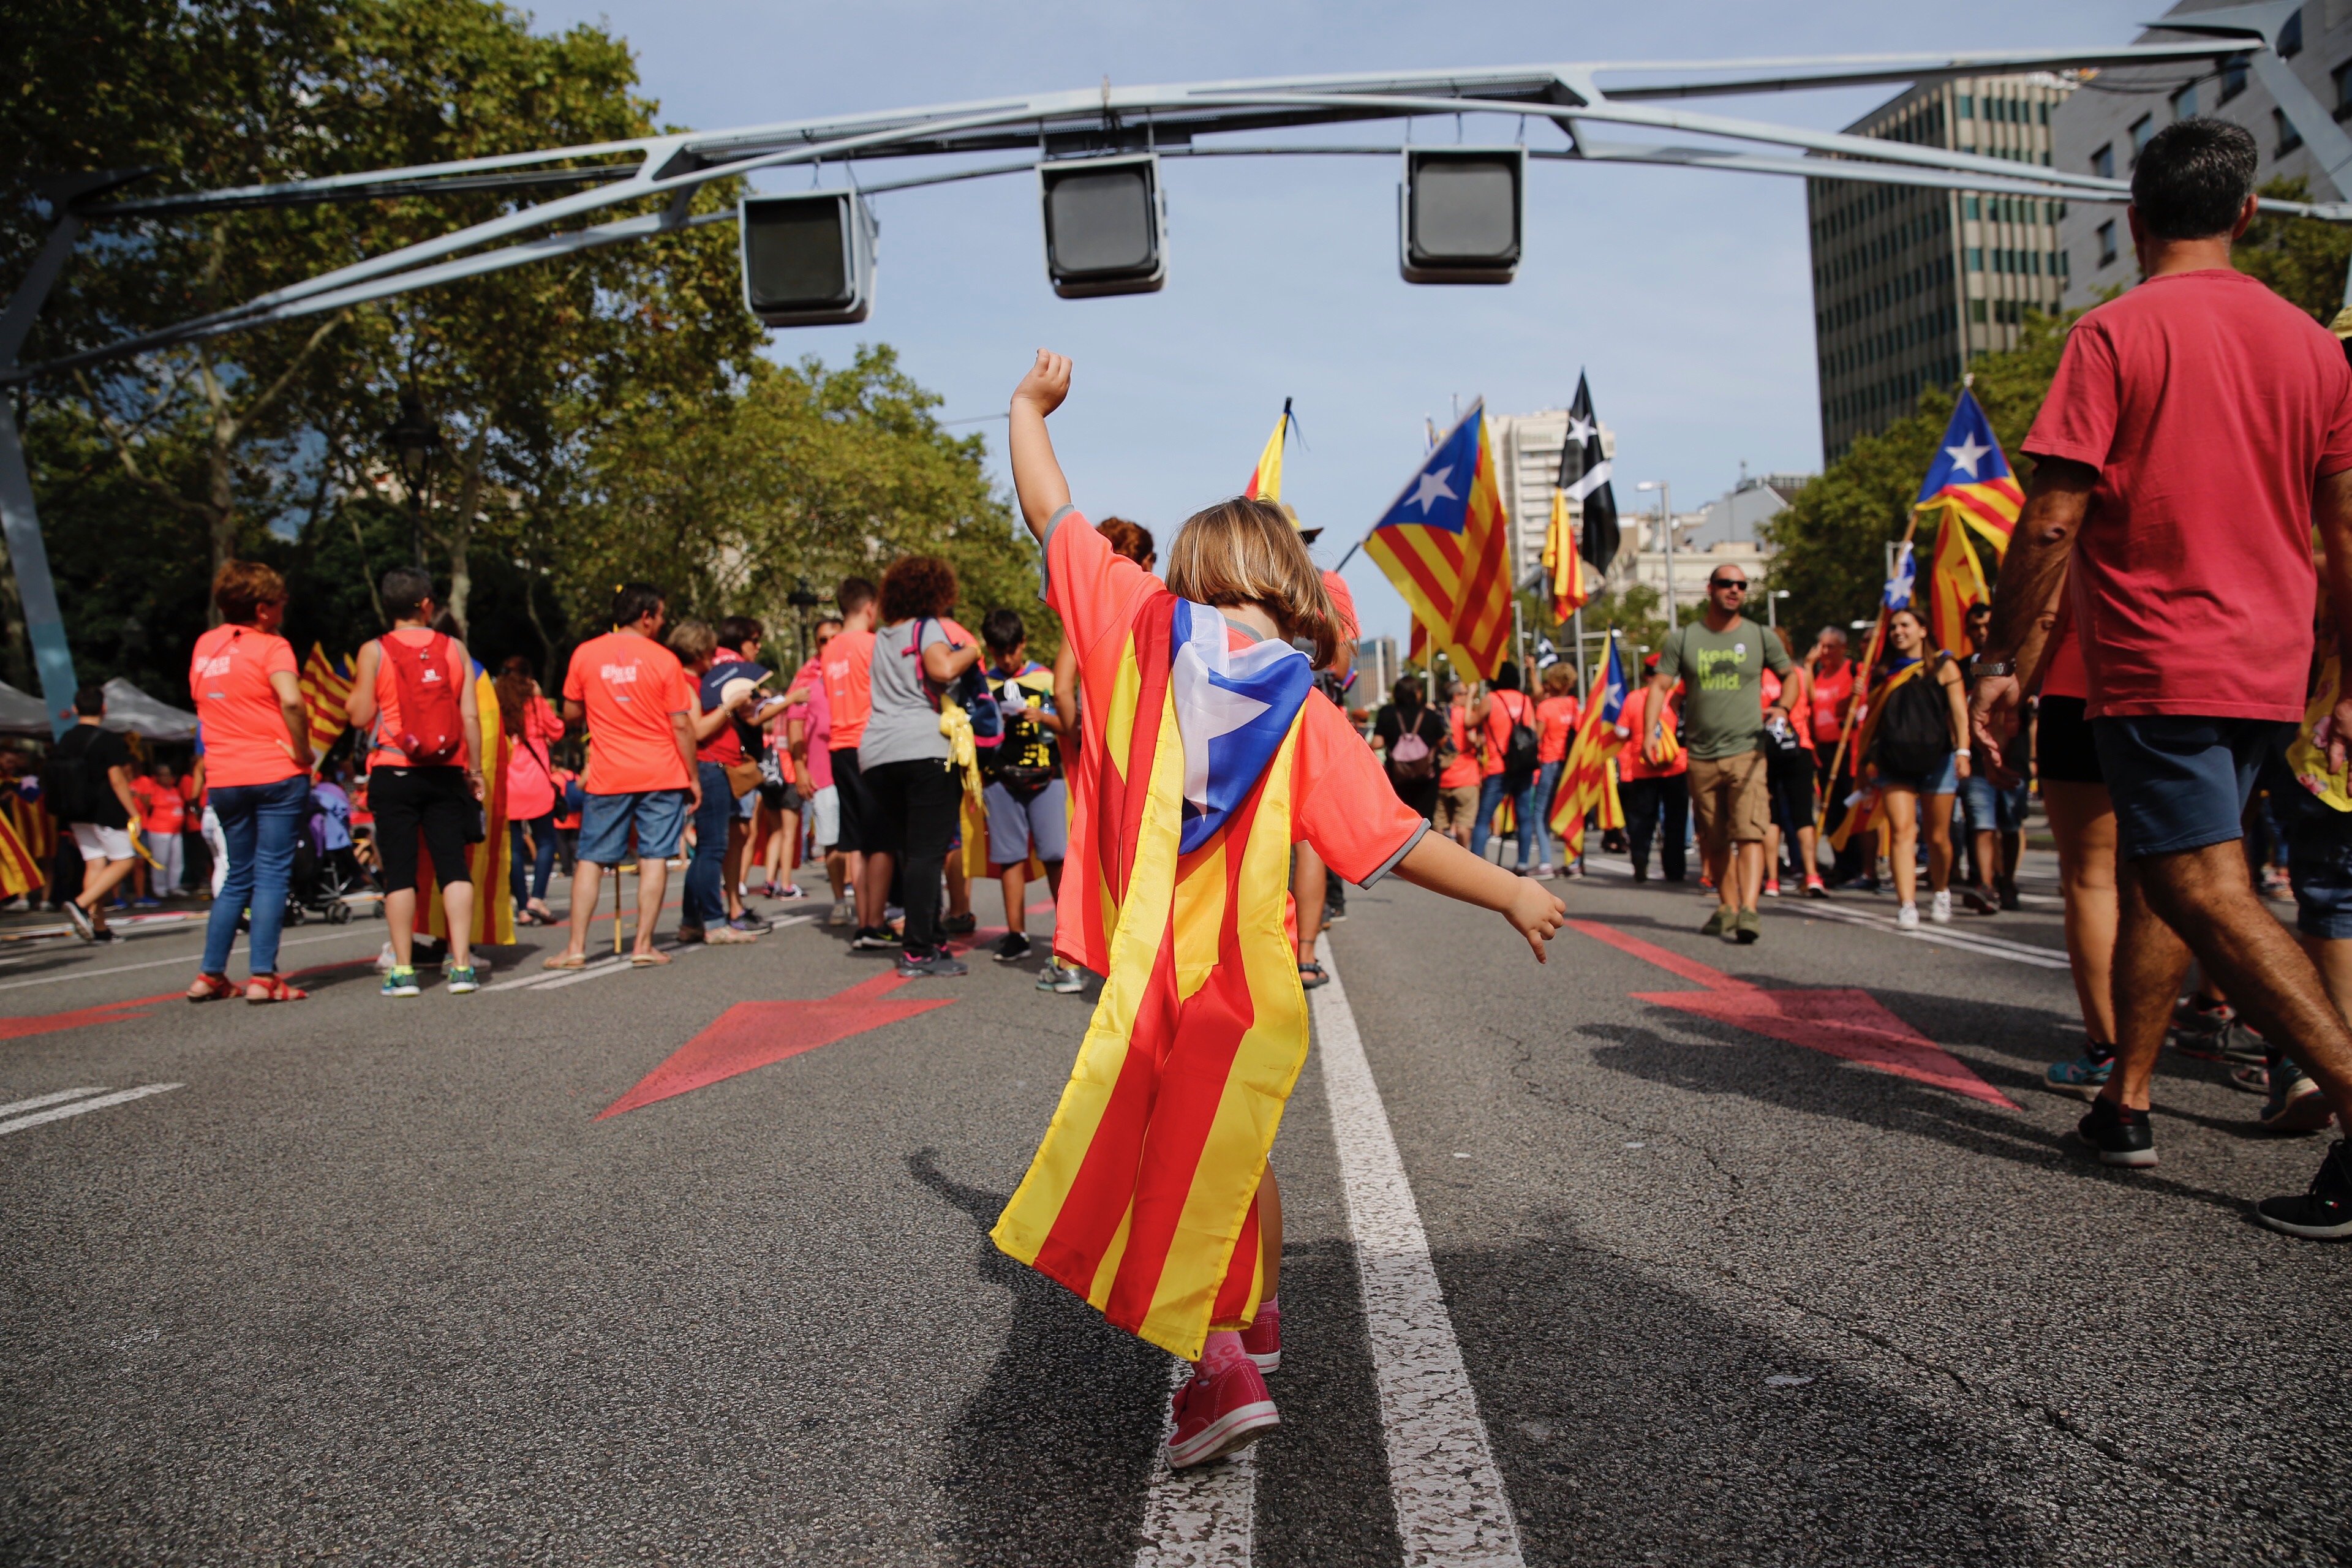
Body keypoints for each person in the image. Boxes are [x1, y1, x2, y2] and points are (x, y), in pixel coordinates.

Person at [1002, 347, 1564, 1471]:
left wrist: (1027, 407)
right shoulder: (1308, 713)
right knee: (1231, 1145)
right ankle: (1253, 1311)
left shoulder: (1130, 628)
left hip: (1161, 979)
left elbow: (1051, 510)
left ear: (1189, 574)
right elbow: (1393, 841)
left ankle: (1216, 1368)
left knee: (1167, 1164)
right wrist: (1510, 888)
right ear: (1297, 599)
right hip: (1253, 987)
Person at [1970, 117, 2352, 1236]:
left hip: (2161, 660)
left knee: (2198, 886)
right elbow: (2346, 527)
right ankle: (2125, 1101)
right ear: (2247, 215)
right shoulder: (2314, 348)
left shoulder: (2114, 334)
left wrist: (2004, 662)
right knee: (2172, 877)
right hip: (2270, 667)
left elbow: (2049, 521)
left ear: (2134, 220)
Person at [345, 566, 486, 997]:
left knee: (402, 872)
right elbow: (469, 716)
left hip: (394, 769)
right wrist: (475, 771)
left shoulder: (374, 651)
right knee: (453, 868)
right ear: (427, 605)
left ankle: (403, 971)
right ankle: (461, 966)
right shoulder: (454, 648)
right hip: (446, 772)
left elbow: (359, 715)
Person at [546, 582, 699, 970]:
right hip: (661, 771)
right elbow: (681, 725)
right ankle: (644, 944)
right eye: (661, 615)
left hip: (609, 771)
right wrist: (692, 776)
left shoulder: (586, 654)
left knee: (591, 858)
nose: (663, 623)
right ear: (646, 616)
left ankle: (576, 947)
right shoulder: (663, 659)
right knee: (654, 857)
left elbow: (569, 713)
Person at [184, 560, 315, 1003]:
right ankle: (263, 976)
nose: (285, 607)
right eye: (280, 601)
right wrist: (303, 750)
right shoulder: (272, 646)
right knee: (273, 872)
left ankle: (210, 974)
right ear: (262, 609)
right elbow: (292, 701)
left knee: (237, 874)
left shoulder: (205, 646)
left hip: (224, 776)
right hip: (275, 770)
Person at [1648, 566, 1794, 941]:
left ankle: (1749, 910)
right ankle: (1727, 906)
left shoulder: (1760, 635)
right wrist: (1651, 731)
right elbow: (1660, 685)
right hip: (1700, 755)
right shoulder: (1685, 638)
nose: (1735, 590)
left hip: (1748, 750)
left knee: (1749, 833)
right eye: (1727, 584)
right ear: (1710, 589)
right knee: (1714, 839)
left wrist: (1783, 708)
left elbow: (1790, 676)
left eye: (1742, 585)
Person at [858, 556, 982, 977]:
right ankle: (917, 949)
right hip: (923, 750)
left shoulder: (883, 636)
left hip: (877, 755)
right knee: (929, 854)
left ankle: (931, 937)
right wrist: (971, 649)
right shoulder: (928, 627)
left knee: (914, 852)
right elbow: (942, 667)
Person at [2032, 595, 2124, 1096]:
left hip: (2084, 687)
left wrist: (2004, 680)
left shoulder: (2083, 518)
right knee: (2203, 875)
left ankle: (2109, 1052)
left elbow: (2044, 617)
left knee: (2092, 877)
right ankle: (2278, 1046)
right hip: (2214, 686)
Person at [1864, 606, 1970, 930]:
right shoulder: (1883, 671)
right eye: (1894, 627)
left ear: (1923, 630)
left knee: (1938, 837)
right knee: (1901, 832)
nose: (1899, 632)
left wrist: (1963, 751)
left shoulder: (1944, 665)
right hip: (1895, 762)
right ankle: (1906, 903)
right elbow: (1872, 723)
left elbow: (1959, 713)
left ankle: (1940, 890)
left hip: (1938, 760)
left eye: (1906, 625)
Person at [979, 609, 1069, 971]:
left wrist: (1042, 717)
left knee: (1054, 854)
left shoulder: (1047, 678)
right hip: (1001, 780)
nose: (1006, 659)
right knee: (1009, 856)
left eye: (1011, 651)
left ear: (1023, 645)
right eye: (998, 653)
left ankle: (1067, 937)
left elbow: (1071, 725)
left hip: (1046, 777)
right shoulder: (984, 685)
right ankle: (1016, 933)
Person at [51, 685, 141, 942]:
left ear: (75, 709)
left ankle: (98, 926)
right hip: (105, 809)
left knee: (95, 863)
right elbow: (117, 780)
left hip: (76, 810)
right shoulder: (109, 740)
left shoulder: (66, 739)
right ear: (104, 708)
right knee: (124, 860)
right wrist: (134, 813)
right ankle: (81, 904)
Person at [1954, 600, 2027, 913]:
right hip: (1978, 762)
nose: (1982, 632)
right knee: (1981, 824)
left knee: (2010, 826)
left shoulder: (2022, 663)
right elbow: (1955, 714)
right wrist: (1962, 751)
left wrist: (2033, 757)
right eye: (1975, 627)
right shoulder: (1961, 669)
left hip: (2014, 759)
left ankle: (2007, 880)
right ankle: (1985, 885)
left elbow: (2031, 715)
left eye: (1988, 626)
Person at [823, 579, 882, 940]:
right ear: (870, 607)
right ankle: (875, 921)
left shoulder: (829, 650)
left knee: (855, 838)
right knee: (880, 838)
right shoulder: (872, 645)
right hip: (868, 743)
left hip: (838, 745)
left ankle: (864, 919)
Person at [493, 655, 566, 927]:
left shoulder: (497, 707)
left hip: (508, 784)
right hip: (535, 783)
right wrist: (540, 696)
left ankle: (523, 907)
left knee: (512, 848)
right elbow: (557, 730)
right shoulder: (534, 705)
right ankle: (538, 898)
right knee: (545, 840)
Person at [1758, 627, 1820, 898]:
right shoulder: (1800, 675)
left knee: (1771, 817)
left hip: (1767, 750)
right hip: (1800, 747)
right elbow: (1814, 707)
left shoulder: (1757, 677)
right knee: (1804, 815)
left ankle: (1772, 880)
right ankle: (1812, 874)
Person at [1616, 653, 1687, 883]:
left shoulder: (1634, 698)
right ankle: (1675, 869)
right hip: (1675, 766)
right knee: (1675, 820)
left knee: (1642, 820)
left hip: (1643, 767)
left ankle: (1640, 858)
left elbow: (1621, 732)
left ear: (1646, 674)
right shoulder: (1675, 697)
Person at [1468, 662, 1539, 873]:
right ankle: (1523, 863)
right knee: (1524, 817)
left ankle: (1475, 864)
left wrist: (1472, 696)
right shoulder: (1525, 700)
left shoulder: (1492, 700)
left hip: (1498, 767)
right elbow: (1533, 732)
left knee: (1484, 817)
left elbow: (1469, 722)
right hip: (1524, 767)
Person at [1528, 662, 1581, 878]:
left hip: (1550, 763)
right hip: (1570, 765)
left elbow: (1537, 738)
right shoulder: (1574, 705)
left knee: (1541, 814)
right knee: (1569, 811)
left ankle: (1546, 863)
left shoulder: (1546, 707)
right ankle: (1575, 862)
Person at [1371, 675, 1446, 823]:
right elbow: (1442, 741)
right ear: (1417, 693)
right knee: (1425, 817)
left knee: (1402, 816)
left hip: (1398, 774)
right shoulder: (1430, 715)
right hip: (1427, 775)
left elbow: (1377, 743)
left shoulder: (1387, 713)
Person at [1434, 681, 1480, 845]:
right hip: (1466, 778)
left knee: (1439, 825)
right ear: (1457, 696)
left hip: (1443, 777)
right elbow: (1473, 739)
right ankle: (1464, 860)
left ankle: (1440, 861)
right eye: (1466, 693)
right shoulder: (1465, 715)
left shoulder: (1439, 716)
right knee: (1464, 825)